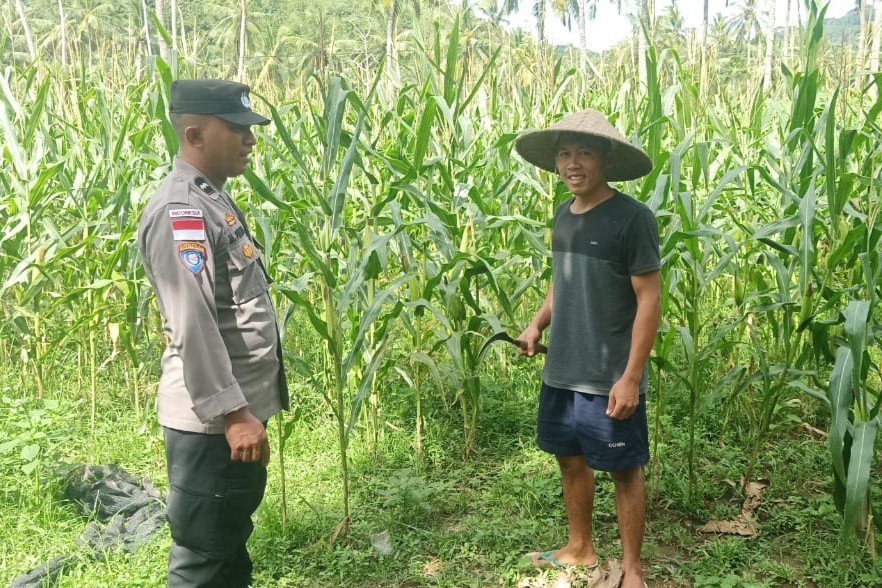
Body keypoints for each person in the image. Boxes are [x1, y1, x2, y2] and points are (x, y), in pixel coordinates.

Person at [138, 79, 289, 587]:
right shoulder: (181, 210)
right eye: (238, 128)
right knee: (203, 560)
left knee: (226, 549)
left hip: (230, 418)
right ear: (195, 133)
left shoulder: (211, 201)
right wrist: (234, 414)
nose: (250, 139)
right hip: (212, 426)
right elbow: (193, 323)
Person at [514, 110, 660, 588]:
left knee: (623, 469)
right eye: (564, 153)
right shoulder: (563, 214)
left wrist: (631, 377)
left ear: (606, 159)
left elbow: (649, 298)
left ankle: (633, 569)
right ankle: (579, 548)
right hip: (563, 369)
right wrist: (537, 324)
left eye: (584, 152)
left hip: (608, 376)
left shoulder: (632, 218)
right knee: (569, 459)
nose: (572, 163)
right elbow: (563, 282)